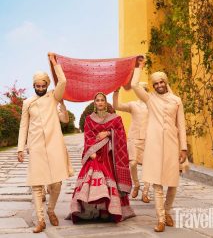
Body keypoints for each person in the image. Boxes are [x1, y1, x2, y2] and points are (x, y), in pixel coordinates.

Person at [17, 53, 74, 233]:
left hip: (54, 145)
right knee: (37, 183)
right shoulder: (28, 103)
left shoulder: (53, 97)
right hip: (36, 147)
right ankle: (40, 220)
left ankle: (50, 210)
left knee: (56, 183)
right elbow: (23, 126)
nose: (40, 88)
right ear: (33, 86)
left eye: (43, 85)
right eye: (37, 86)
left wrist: (54, 63)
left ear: (47, 85)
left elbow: (63, 82)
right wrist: (20, 148)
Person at [131, 58, 187, 232]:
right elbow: (134, 85)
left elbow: (182, 125)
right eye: (155, 83)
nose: (159, 85)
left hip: (172, 144)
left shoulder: (176, 100)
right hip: (154, 146)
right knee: (156, 183)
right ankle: (161, 218)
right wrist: (139, 67)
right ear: (153, 86)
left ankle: (167, 211)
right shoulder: (149, 99)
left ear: (166, 82)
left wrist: (183, 148)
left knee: (172, 182)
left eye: (161, 82)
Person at [69, 92, 135, 223]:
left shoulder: (115, 118)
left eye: (102, 100)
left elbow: (121, 134)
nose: (99, 102)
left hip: (110, 156)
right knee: (93, 179)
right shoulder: (89, 119)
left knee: (110, 180)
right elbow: (87, 136)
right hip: (95, 154)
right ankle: (92, 211)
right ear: (95, 103)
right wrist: (90, 151)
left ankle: (109, 211)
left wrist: (109, 133)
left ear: (106, 102)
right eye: (97, 100)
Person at [113, 85, 150, 203]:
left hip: (148, 139)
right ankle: (137, 184)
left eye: (144, 90)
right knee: (132, 163)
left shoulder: (152, 105)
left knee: (148, 167)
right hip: (134, 138)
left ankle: (145, 192)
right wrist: (116, 91)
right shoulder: (133, 105)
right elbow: (116, 106)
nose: (142, 92)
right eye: (140, 90)